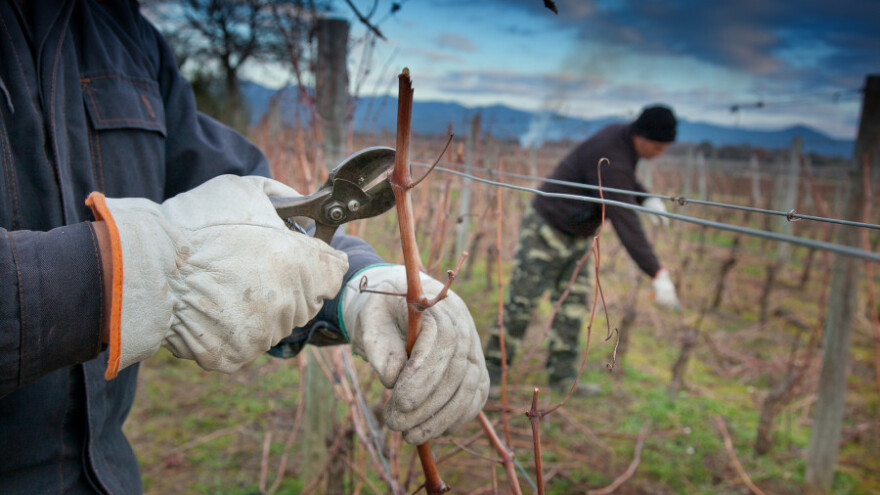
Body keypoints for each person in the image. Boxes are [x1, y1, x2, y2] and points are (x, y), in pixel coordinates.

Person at [0, 2, 488, 493]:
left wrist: (363, 285)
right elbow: (183, 245)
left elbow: (240, 201)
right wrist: (119, 276)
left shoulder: (122, 34)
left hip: (108, 478)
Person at [484, 104, 681, 396]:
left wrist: (646, 197)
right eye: (658, 146)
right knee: (520, 306)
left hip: (578, 237)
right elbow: (624, 218)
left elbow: (622, 179)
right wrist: (657, 272)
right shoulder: (610, 149)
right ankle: (490, 376)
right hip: (546, 230)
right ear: (641, 136)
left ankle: (563, 381)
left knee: (572, 311)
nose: (661, 153)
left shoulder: (622, 141)